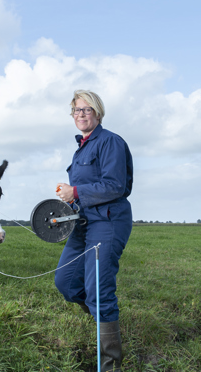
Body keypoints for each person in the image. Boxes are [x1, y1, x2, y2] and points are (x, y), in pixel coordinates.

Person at [55, 90, 133, 372]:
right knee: (65, 282)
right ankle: (103, 318)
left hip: (108, 221)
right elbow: (87, 189)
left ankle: (109, 364)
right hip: (83, 222)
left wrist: (75, 190)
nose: (81, 114)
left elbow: (115, 186)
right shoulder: (82, 148)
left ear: (98, 113)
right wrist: (70, 197)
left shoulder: (110, 142)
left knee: (99, 290)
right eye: (76, 110)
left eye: (87, 109)